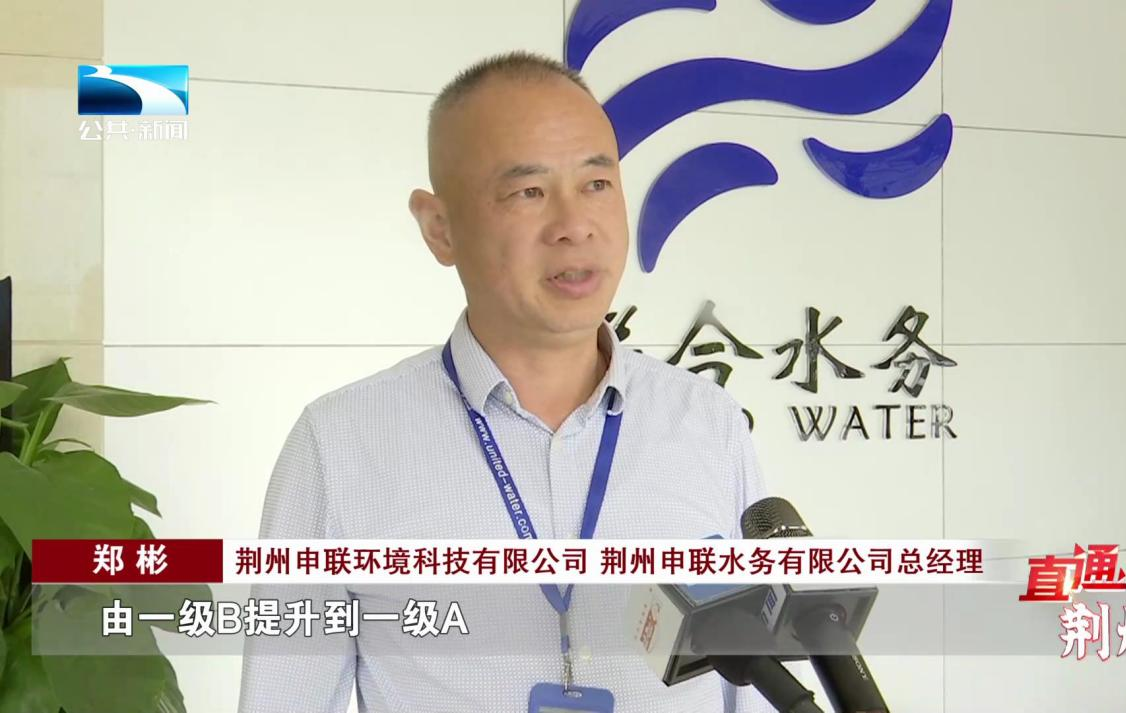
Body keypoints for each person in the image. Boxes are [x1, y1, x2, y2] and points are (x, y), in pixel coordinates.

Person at [238, 50, 774, 713]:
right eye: (528, 192)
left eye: (596, 183)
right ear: (440, 228)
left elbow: (755, 689)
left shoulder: (708, 422)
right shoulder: (341, 442)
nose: (574, 225)